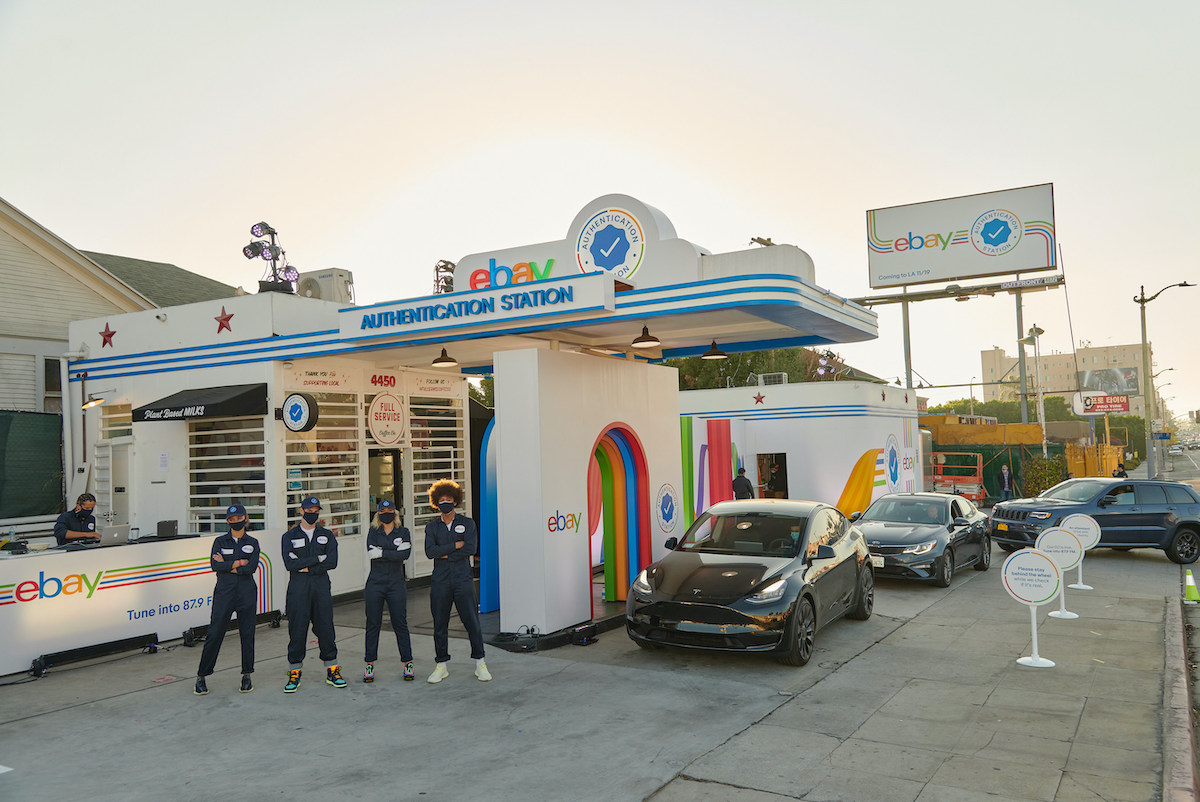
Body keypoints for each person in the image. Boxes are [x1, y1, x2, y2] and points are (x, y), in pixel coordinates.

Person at [424, 479, 490, 683]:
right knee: (440, 624)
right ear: (436, 502)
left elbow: (470, 549)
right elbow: (429, 552)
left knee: (471, 621)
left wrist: (444, 552)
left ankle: (480, 663)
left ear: (456, 501)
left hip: (463, 579)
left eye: (449, 500)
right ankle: (441, 665)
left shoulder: (467, 523)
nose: (446, 503)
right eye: (441, 500)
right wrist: (455, 546)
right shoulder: (432, 527)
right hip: (440, 581)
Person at [281, 496, 344, 692]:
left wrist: (307, 567)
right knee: (297, 630)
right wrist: (317, 559)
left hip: (321, 586)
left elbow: (332, 561)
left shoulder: (327, 535)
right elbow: (290, 564)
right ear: (301, 511)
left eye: (316, 510)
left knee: (325, 628)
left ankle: (332, 669)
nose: (312, 513)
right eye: (309, 510)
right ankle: (295, 672)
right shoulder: (289, 536)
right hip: (298, 588)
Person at [194, 504, 259, 695]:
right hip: (225, 591)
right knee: (215, 633)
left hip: (246, 591)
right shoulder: (220, 541)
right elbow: (215, 565)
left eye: (239, 518)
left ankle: (247, 675)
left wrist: (228, 565)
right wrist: (239, 563)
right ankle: (201, 676)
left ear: (245, 518)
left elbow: (252, 567)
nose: (236, 522)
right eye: (231, 520)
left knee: (247, 633)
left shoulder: (253, 542)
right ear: (228, 522)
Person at [363, 500, 414, 683]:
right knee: (372, 624)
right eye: (382, 510)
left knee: (400, 623)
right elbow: (371, 554)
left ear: (395, 513)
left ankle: (408, 663)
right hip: (375, 584)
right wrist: (393, 552)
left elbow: (404, 555)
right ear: (377, 514)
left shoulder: (404, 532)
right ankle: (369, 664)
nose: (386, 513)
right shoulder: (373, 532)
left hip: (396, 584)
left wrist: (382, 553)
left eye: (389, 510)